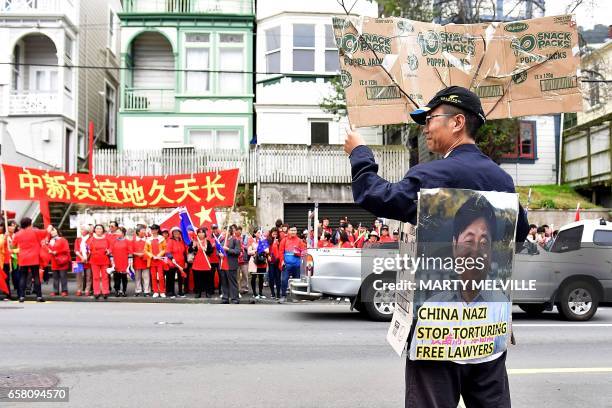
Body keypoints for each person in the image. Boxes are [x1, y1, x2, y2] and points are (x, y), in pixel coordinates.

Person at [344, 85, 529, 408]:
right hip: (488, 333)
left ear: (457, 122)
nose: (426, 127)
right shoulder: (503, 181)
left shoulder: (431, 175)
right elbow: (520, 234)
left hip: (436, 337)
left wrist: (359, 153)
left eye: (430, 119)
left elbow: (376, 196)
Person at [11, 217, 50, 302]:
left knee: (23, 277)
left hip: (23, 257)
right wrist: (49, 228)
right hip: (34, 257)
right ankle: (39, 296)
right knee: (36, 276)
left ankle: (21, 296)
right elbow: (45, 232)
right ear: (29, 223)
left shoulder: (18, 234)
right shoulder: (35, 231)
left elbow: (13, 244)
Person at [278, 225, 306, 303]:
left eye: (295, 230)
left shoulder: (300, 241)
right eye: (292, 230)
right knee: (284, 280)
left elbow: (304, 252)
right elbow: (281, 252)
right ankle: (283, 296)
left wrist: (298, 254)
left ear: (296, 232)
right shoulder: (284, 240)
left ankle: (295, 297)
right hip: (287, 264)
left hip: (297, 264)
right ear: (288, 231)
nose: (293, 232)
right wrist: (282, 261)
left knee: (296, 281)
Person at [89, 224, 112, 300]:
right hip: (94, 260)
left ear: (103, 230)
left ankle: (105, 291)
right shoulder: (91, 239)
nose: (98, 230)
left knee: (105, 277)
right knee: (96, 277)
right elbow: (87, 248)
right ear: (94, 230)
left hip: (104, 259)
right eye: (97, 228)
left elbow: (110, 247)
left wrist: (109, 251)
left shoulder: (106, 238)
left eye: (100, 229)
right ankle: (96, 292)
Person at [220, 225, 241, 304]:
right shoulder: (222, 241)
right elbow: (218, 250)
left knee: (232, 282)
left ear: (230, 232)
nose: (224, 232)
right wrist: (219, 254)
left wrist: (228, 249)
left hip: (231, 264)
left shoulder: (235, 240)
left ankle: (234, 298)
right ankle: (225, 298)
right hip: (223, 264)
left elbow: (237, 251)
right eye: (224, 231)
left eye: (226, 231)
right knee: (224, 282)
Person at [48, 227, 70, 297]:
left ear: (57, 231)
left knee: (63, 276)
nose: (52, 232)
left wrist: (56, 252)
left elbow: (66, 249)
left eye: (53, 230)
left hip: (62, 260)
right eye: (51, 231)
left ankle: (64, 290)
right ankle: (55, 291)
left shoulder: (63, 240)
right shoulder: (50, 241)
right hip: (54, 261)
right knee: (55, 277)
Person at [190, 228, 212, 298]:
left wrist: (205, 249)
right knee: (197, 278)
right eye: (199, 232)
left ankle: (208, 292)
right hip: (197, 262)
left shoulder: (208, 242)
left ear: (205, 234)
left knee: (207, 279)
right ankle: (198, 292)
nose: (201, 234)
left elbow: (210, 251)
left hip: (206, 262)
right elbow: (190, 251)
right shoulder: (195, 241)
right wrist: (193, 246)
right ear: (197, 234)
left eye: (202, 232)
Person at [145, 224, 166, 298]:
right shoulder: (148, 239)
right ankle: (156, 291)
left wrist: (159, 255)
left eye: (154, 229)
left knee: (161, 276)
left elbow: (164, 248)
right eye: (152, 229)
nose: (153, 231)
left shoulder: (162, 238)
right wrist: (151, 256)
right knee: (153, 276)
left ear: (157, 230)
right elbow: (146, 250)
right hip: (152, 260)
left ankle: (162, 291)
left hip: (159, 260)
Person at [166, 227, 187, 298]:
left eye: (178, 232)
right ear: (172, 234)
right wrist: (171, 258)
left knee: (181, 278)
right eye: (175, 232)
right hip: (173, 262)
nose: (176, 234)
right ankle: (171, 292)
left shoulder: (182, 241)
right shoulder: (170, 241)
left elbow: (184, 252)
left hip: (181, 262)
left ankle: (180, 292)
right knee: (171, 278)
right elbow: (167, 252)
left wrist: (186, 261)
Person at [110, 227, 132, 297]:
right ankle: (117, 290)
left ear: (123, 233)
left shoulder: (127, 241)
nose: (117, 233)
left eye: (118, 232)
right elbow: (111, 251)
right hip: (116, 262)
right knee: (116, 277)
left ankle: (124, 290)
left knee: (124, 278)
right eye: (117, 232)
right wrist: (112, 262)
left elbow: (130, 252)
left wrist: (130, 263)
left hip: (124, 262)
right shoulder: (113, 241)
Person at [248, 229, 268, 299]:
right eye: (258, 232)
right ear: (255, 233)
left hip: (262, 261)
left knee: (261, 277)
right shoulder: (251, 240)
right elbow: (249, 252)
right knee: (254, 277)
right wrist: (257, 250)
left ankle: (260, 293)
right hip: (254, 261)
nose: (260, 234)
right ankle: (254, 293)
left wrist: (264, 250)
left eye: (261, 232)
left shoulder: (263, 240)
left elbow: (267, 250)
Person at [132, 225, 151, 297]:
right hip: (137, 260)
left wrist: (144, 254)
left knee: (146, 276)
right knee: (137, 276)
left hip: (145, 260)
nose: (144, 232)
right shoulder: (133, 240)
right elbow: (130, 250)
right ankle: (138, 290)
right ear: (138, 232)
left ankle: (147, 291)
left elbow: (150, 249)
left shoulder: (148, 239)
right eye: (142, 231)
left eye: (144, 231)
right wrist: (137, 253)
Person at [74, 225, 93, 297]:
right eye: (81, 229)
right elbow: (76, 250)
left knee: (88, 276)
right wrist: (81, 257)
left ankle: (87, 290)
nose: (81, 231)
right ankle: (79, 289)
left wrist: (86, 258)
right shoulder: (78, 239)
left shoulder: (91, 239)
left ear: (87, 230)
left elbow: (91, 250)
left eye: (82, 229)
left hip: (88, 259)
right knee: (79, 276)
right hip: (79, 259)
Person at [267, 227, 282, 300]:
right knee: (271, 278)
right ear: (271, 233)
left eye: (276, 232)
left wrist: (278, 244)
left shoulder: (280, 240)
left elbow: (281, 250)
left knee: (278, 278)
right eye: (273, 232)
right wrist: (267, 256)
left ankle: (278, 293)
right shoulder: (268, 240)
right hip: (271, 261)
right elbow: (266, 250)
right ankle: (272, 293)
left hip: (278, 261)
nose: (275, 234)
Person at [237, 226, 251, 295]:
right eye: (237, 230)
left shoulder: (245, 238)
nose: (238, 231)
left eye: (240, 230)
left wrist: (243, 247)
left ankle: (244, 288)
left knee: (245, 274)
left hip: (244, 259)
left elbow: (249, 247)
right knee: (237, 275)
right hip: (236, 259)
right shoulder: (235, 238)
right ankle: (237, 288)